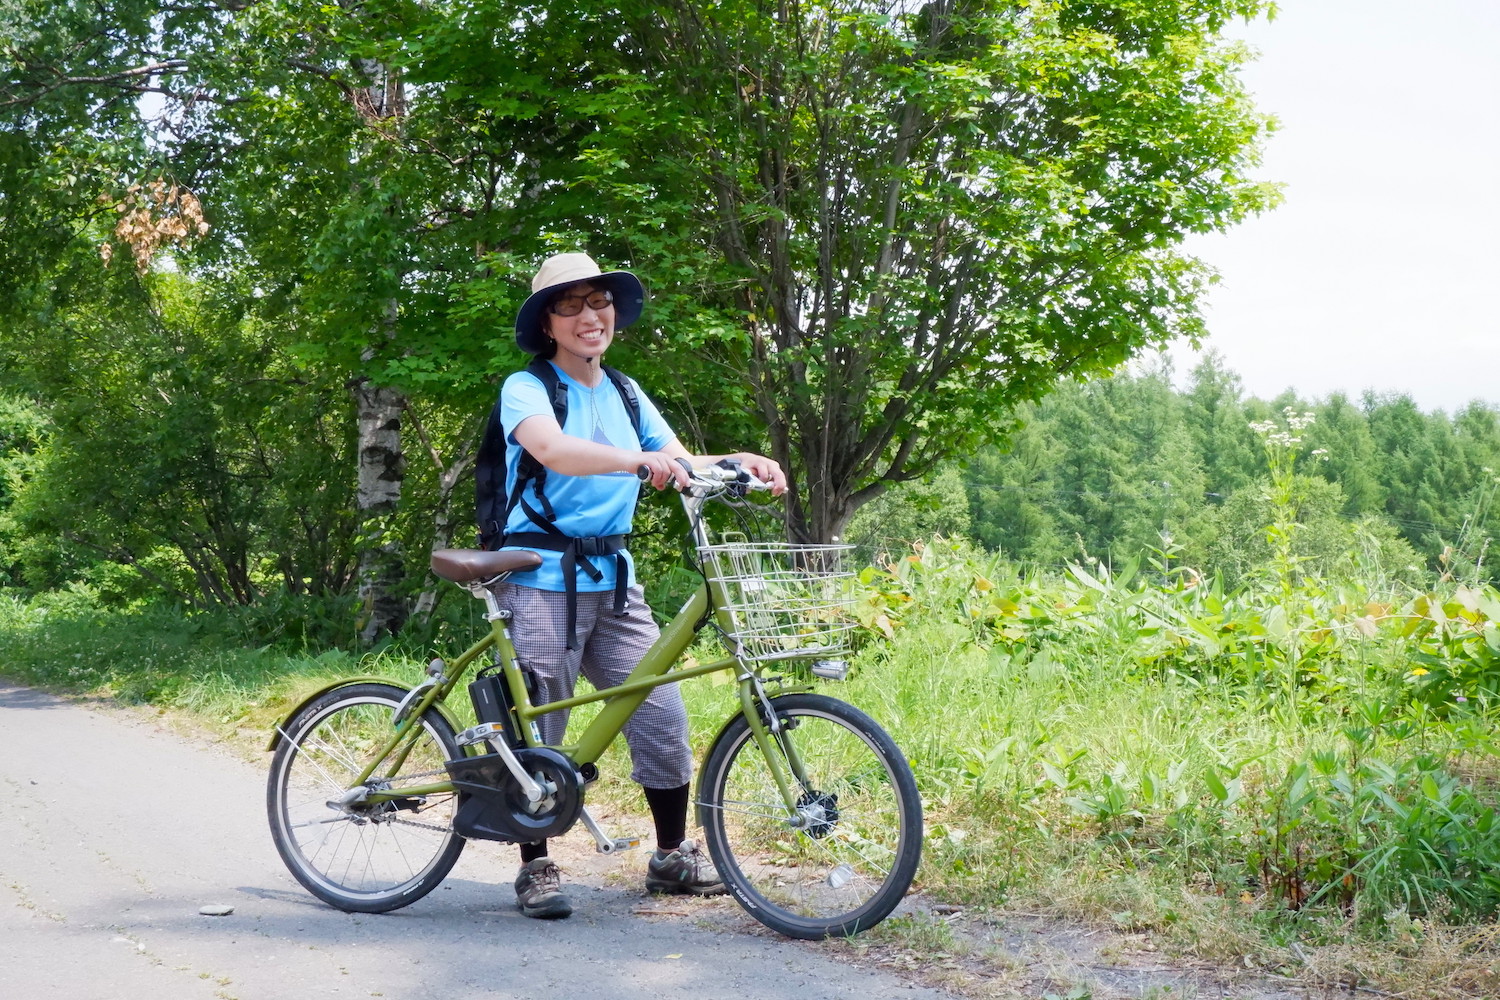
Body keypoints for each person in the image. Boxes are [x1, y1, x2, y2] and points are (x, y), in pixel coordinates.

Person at [493, 252, 786, 919]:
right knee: (545, 721)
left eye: (598, 301)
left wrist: (743, 460)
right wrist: (637, 461)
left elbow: (679, 460)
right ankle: (535, 865)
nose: (589, 316)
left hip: (614, 579)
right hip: (541, 576)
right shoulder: (527, 387)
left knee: (660, 715)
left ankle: (671, 856)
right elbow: (554, 451)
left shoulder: (626, 392)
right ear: (548, 325)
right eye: (569, 306)